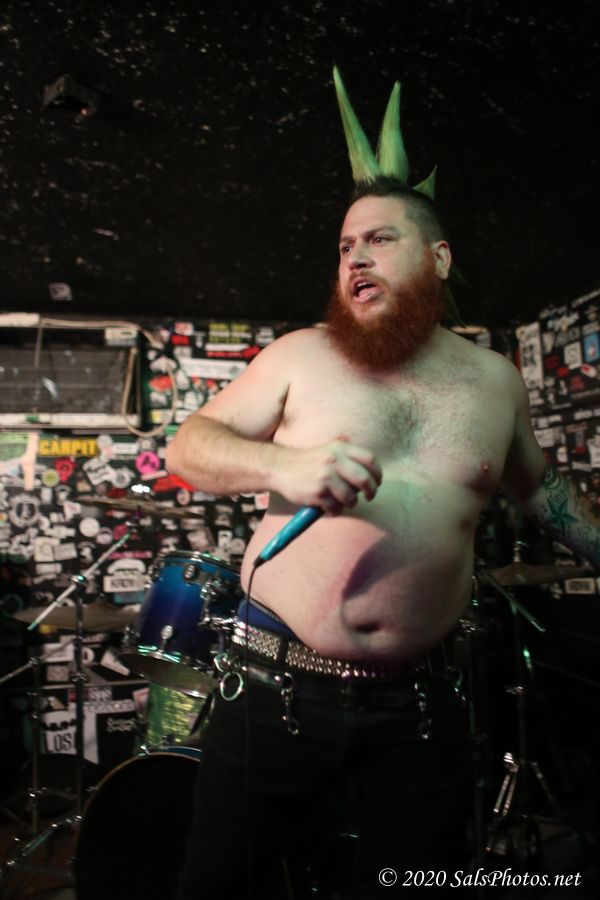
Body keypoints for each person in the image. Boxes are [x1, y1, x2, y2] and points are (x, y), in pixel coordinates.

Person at [167, 77, 600, 900]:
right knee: (222, 884)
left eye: (378, 239)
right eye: (344, 247)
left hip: (420, 707)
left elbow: (540, 492)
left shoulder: (495, 381)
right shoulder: (300, 355)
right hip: (275, 687)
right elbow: (188, 448)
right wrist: (282, 467)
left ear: (438, 258)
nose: (354, 259)